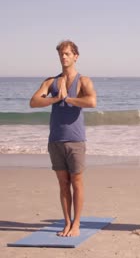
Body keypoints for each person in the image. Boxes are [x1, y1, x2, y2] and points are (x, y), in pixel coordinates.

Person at [30, 40, 97, 237]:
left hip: (75, 139)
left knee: (76, 181)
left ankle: (76, 224)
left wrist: (67, 99)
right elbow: (34, 102)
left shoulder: (83, 81)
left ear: (76, 56)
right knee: (62, 183)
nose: (64, 57)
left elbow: (91, 101)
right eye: (61, 54)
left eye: (67, 54)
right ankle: (66, 222)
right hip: (55, 139)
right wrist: (55, 98)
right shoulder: (51, 82)